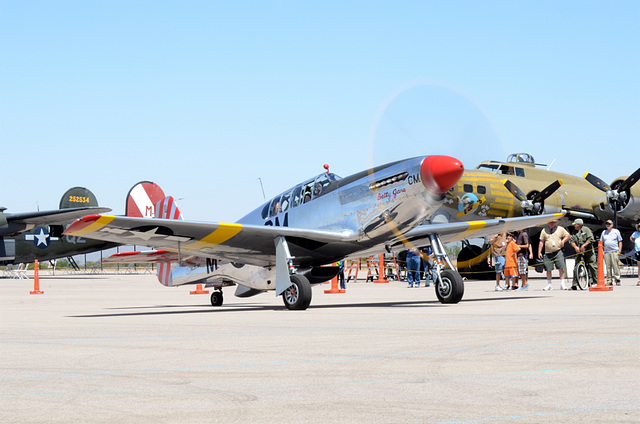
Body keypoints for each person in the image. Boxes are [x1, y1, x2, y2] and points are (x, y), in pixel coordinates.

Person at [538, 219, 571, 290]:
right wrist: (539, 252)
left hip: (558, 251)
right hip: (548, 253)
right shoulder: (544, 230)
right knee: (548, 269)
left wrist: (563, 241)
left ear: (555, 223)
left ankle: (562, 284)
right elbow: (541, 241)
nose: (552, 224)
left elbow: (568, 235)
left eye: (553, 222)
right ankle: (549, 284)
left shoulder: (560, 229)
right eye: (550, 222)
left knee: (561, 268)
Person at [569, 218, 597, 289]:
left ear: (579, 225)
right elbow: (571, 240)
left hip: (588, 250)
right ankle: (574, 285)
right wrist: (575, 247)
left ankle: (595, 282)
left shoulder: (586, 230)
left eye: (575, 225)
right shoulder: (574, 232)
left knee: (592, 265)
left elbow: (591, 238)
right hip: (580, 251)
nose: (574, 226)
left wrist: (584, 245)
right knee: (576, 267)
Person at [601, 219, 623, 286]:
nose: (608, 225)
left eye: (609, 224)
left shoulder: (616, 231)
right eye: (607, 224)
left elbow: (620, 241)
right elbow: (601, 243)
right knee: (608, 267)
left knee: (615, 266)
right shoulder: (604, 232)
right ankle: (609, 280)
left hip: (614, 251)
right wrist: (602, 252)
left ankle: (617, 279)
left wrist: (619, 250)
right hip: (606, 252)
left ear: (612, 225)